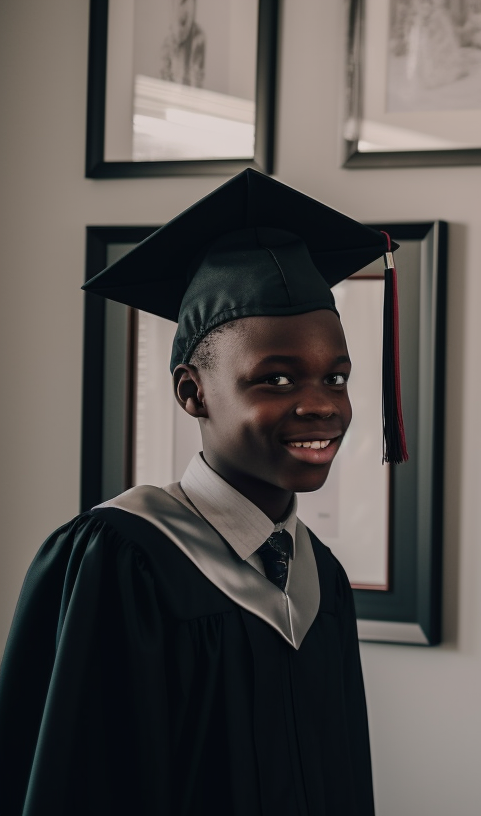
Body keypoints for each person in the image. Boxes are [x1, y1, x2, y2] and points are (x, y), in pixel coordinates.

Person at [0, 169, 407, 815]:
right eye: (275, 380)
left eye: (335, 376)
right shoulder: (120, 560)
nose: (320, 406)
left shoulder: (318, 575)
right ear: (192, 392)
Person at [160, 0, 206, 88]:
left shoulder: (198, 39)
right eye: (181, 3)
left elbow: (197, 80)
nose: (182, 9)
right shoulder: (168, 41)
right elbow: (164, 75)